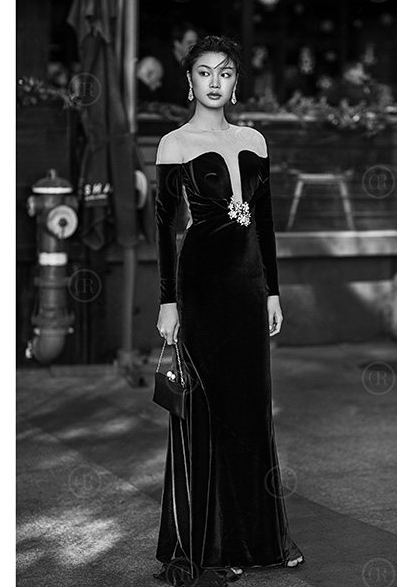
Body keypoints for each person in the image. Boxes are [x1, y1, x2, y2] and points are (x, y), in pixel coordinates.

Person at [152, 35, 305, 586]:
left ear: (236, 82)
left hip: (248, 288)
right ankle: (211, 545)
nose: (214, 81)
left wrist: (272, 292)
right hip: (201, 288)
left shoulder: (254, 140)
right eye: (203, 72)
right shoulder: (173, 144)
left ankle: (260, 539)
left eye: (224, 72)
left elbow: (264, 224)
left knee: (251, 411)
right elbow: (164, 230)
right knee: (207, 413)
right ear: (188, 80)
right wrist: (168, 301)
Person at [140, 22, 199, 107]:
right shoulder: (160, 63)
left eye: (196, 42)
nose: (194, 46)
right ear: (177, 44)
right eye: (189, 43)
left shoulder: (195, 64)